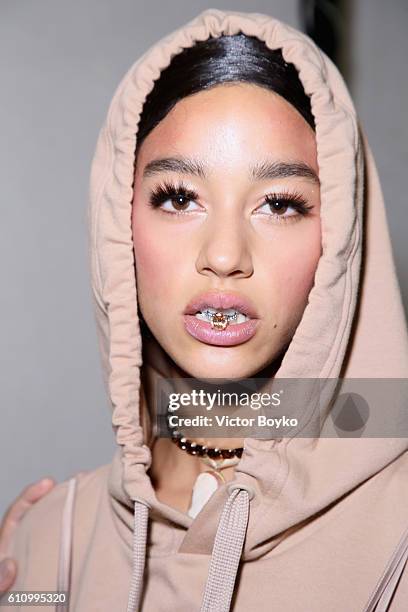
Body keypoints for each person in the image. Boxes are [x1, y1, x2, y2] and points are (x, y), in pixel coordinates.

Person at [1, 8, 408, 611]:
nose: (224, 255)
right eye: (178, 197)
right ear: (118, 221)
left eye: (279, 203)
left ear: (344, 235)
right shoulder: (47, 547)